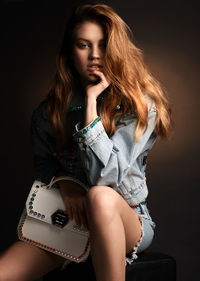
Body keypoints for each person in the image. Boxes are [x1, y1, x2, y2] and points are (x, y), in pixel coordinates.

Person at [0, 3, 172, 281]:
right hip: (71, 225)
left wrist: (91, 107)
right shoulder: (48, 112)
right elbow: (43, 164)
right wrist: (65, 183)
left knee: (100, 196)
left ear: (115, 49)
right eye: (83, 45)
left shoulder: (140, 106)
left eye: (103, 45)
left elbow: (107, 179)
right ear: (71, 51)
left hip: (126, 219)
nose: (94, 55)